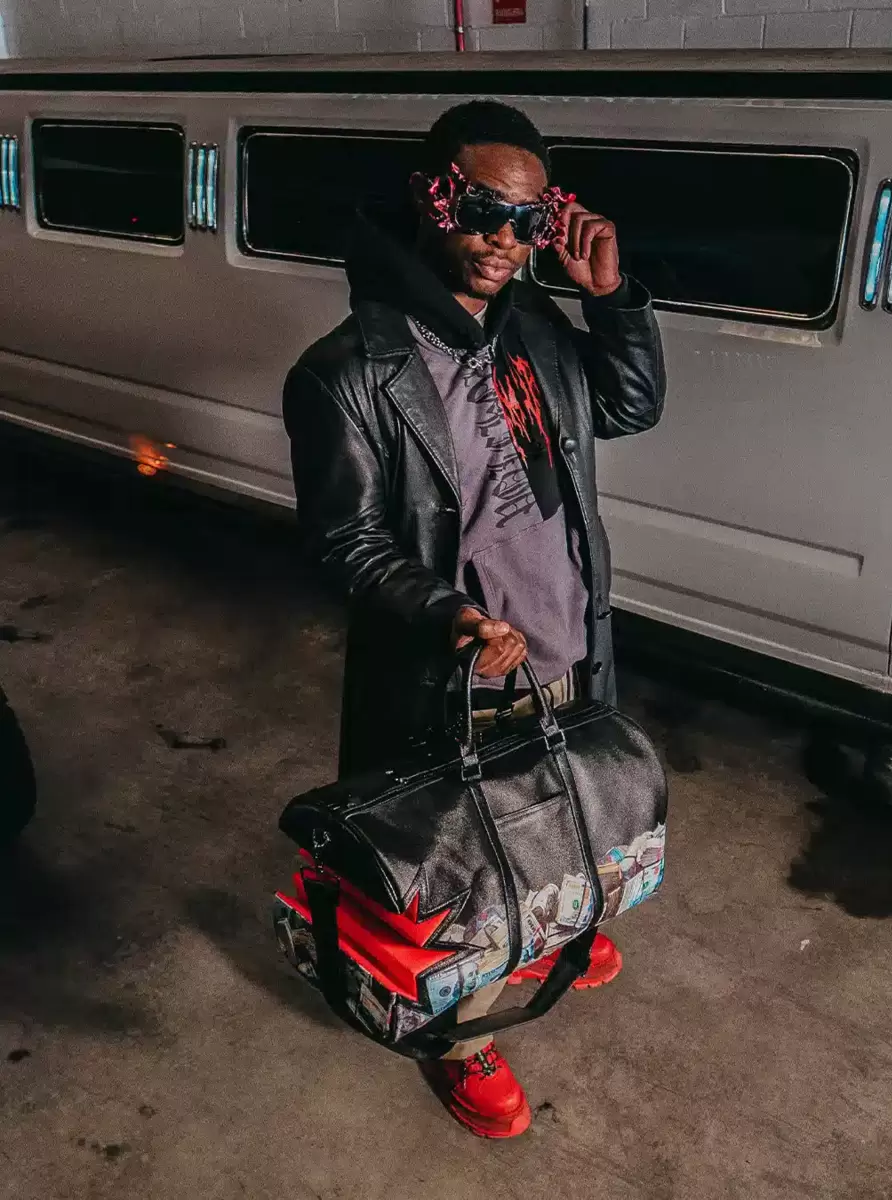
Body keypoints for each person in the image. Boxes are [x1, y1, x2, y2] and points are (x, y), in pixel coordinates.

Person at [283, 100, 665, 1139]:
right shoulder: (349, 370)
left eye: (529, 220)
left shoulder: (536, 327)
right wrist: (449, 613)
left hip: (570, 639)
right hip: (452, 672)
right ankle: (460, 1044)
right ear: (432, 195)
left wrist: (611, 298)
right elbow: (344, 540)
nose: (506, 238)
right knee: (464, 871)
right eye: (485, 209)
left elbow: (628, 407)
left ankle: (557, 925)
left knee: (564, 807)